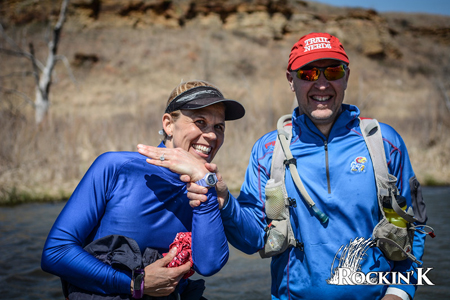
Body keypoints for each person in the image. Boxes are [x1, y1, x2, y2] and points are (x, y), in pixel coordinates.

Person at [137, 33, 428, 300]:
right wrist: (224, 200)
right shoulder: (268, 150)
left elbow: (412, 227)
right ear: (291, 79)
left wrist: (400, 293)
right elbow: (253, 240)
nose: (322, 83)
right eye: (309, 73)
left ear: (347, 76)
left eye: (333, 71)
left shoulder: (384, 142)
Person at [41, 80, 245, 299]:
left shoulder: (205, 186)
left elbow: (209, 264)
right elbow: (55, 253)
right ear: (168, 124)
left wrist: (205, 185)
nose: (212, 135)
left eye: (219, 127)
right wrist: (134, 283)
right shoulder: (116, 168)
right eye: (200, 121)